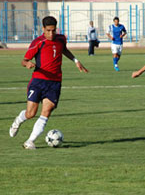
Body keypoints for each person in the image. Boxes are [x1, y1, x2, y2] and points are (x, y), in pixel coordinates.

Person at [9, 16, 89, 150]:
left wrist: (76, 61)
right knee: (31, 114)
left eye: (53, 30)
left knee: (46, 112)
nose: (51, 34)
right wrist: (27, 64)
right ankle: (18, 121)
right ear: (43, 29)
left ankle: (29, 141)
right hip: (38, 81)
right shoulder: (38, 42)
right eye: (48, 31)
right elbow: (24, 60)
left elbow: (63, 49)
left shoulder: (61, 39)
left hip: (55, 83)